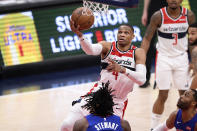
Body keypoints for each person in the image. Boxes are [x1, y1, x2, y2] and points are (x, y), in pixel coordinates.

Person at [60, 22, 146, 131]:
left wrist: (123, 69)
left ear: (133, 36)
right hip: (97, 95)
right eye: (120, 32)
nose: (122, 34)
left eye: (126, 33)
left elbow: (142, 80)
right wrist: (80, 36)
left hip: (117, 101)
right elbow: (90, 50)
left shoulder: (138, 52)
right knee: (66, 124)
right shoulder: (107, 46)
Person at [140, 0, 196, 130]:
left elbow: (194, 38)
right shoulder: (158, 16)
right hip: (164, 59)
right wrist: (141, 60)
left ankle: (182, 124)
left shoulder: (189, 15)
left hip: (182, 59)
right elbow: (147, 38)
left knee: (185, 95)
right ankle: (154, 128)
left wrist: (194, 61)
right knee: (163, 94)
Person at [140, 0, 167, 88]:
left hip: (168, 8)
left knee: (166, 43)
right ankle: (145, 78)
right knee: (149, 44)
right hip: (153, 7)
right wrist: (145, 12)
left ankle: (165, 78)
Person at [188, 22, 197, 89]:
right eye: (189, 34)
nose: (190, 36)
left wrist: (191, 90)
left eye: (193, 34)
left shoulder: (195, 51)